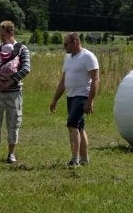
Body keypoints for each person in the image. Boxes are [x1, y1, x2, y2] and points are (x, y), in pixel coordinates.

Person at [49, 33, 99, 167]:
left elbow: (95, 79)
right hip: (70, 96)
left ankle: (75, 160)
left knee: (72, 125)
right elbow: (63, 80)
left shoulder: (88, 56)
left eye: (66, 44)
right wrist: (55, 99)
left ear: (76, 42)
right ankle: (84, 159)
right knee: (79, 128)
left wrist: (90, 101)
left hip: (82, 96)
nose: (64, 46)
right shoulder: (68, 58)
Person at [0, 21, 31, 164]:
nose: (1, 38)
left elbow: (26, 68)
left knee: (14, 122)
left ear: (11, 33)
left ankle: (11, 154)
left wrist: (10, 82)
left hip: (14, 93)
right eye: (0, 36)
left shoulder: (22, 49)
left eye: (3, 36)